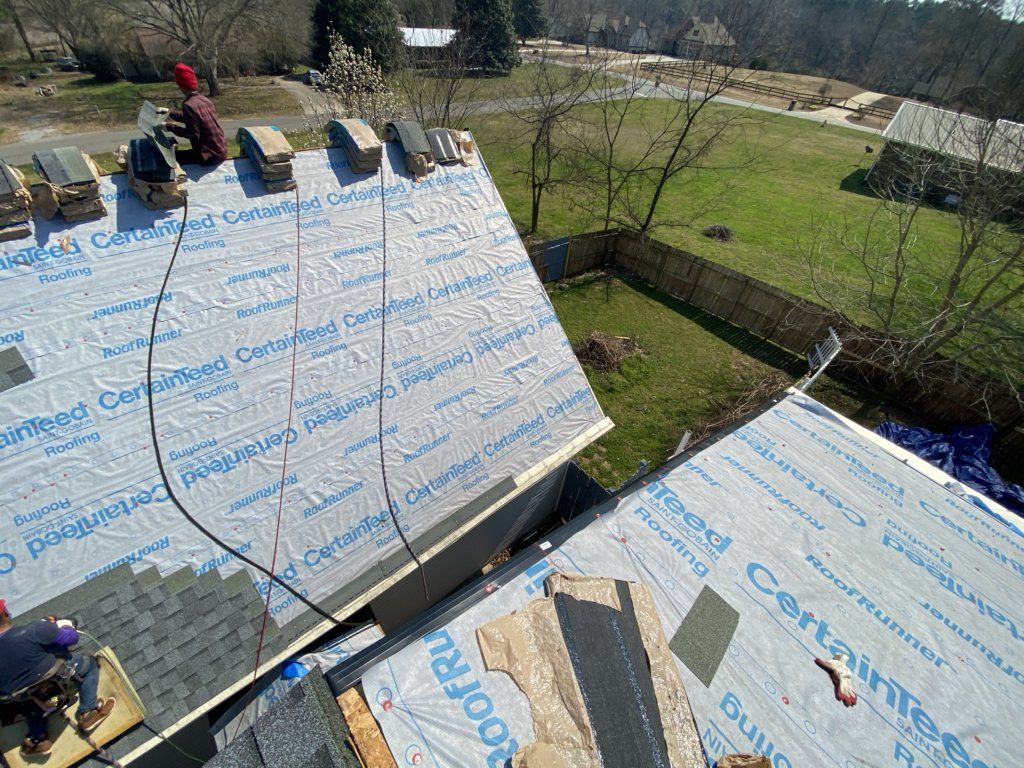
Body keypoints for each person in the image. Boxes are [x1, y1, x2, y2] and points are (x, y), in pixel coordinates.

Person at [0, 599, 116, 757]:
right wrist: (63, 624)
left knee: (28, 705)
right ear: (5, 613)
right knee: (89, 664)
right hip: (54, 681)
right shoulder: (34, 630)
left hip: (22, 699)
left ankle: (38, 738)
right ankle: (88, 710)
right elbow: (71, 638)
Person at [165, 62, 228, 166]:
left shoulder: (188, 105)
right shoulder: (205, 100)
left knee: (169, 158)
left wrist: (170, 127)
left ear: (181, 86)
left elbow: (193, 135)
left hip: (208, 156)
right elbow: (192, 120)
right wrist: (169, 113)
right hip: (220, 151)